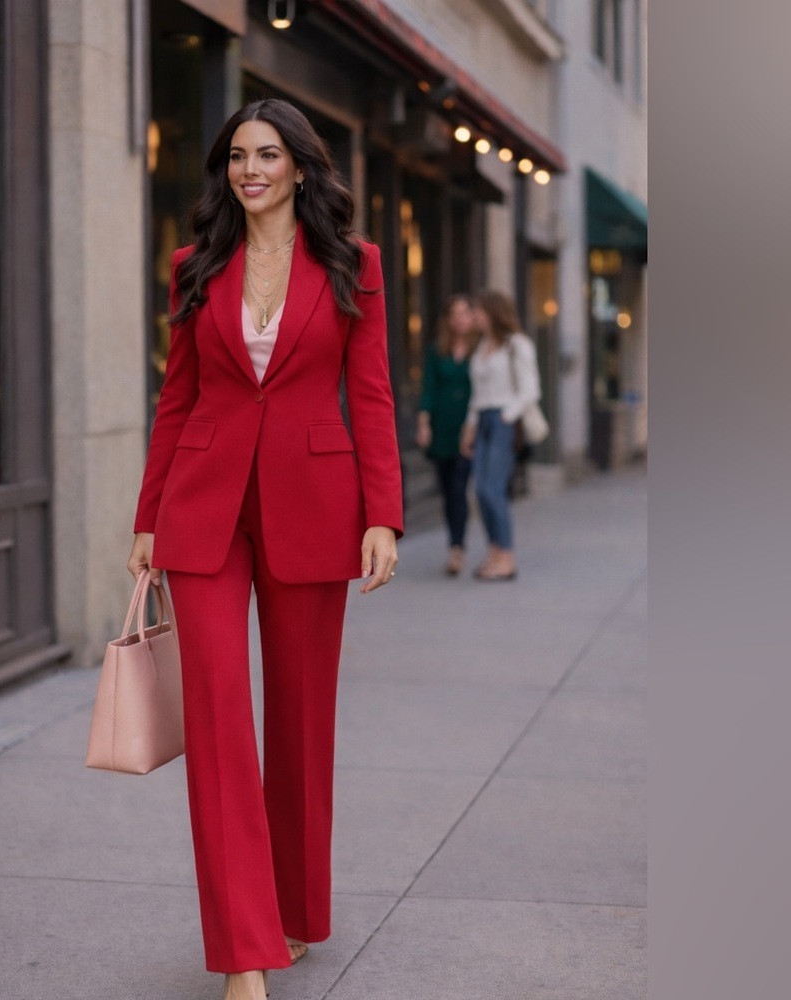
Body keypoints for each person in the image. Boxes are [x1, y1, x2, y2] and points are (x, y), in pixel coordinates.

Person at [127, 99, 403, 1000]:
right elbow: (178, 398)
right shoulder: (195, 267)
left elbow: (371, 397)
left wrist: (383, 515)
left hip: (315, 506)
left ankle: (293, 906)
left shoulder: (351, 266)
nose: (251, 170)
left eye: (268, 155)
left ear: (298, 167)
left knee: (297, 722)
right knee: (215, 720)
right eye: (238, 156)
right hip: (203, 510)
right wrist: (146, 517)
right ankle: (244, 950)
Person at [459, 289, 541, 581]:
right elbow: (476, 394)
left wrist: (505, 417)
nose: (474, 316)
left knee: (493, 489)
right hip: (481, 420)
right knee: (479, 490)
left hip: (503, 421)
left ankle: (507, 556)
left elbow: (531, 390)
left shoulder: (516, 345)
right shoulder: (482, 346)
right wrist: (469, 427)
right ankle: (495, 551)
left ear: (492, 312)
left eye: (478, 311)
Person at [415, 294, 477, 575]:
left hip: (468, 430)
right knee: (446, 489)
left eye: (465, 312)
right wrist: (424, 423)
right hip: (441, 427)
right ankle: (454, 542)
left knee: (458, 488)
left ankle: (457, 549)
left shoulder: (481, 348)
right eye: (455, 314)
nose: (460, 318)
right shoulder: (436, 349)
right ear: (449, 320)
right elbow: (429, 388)